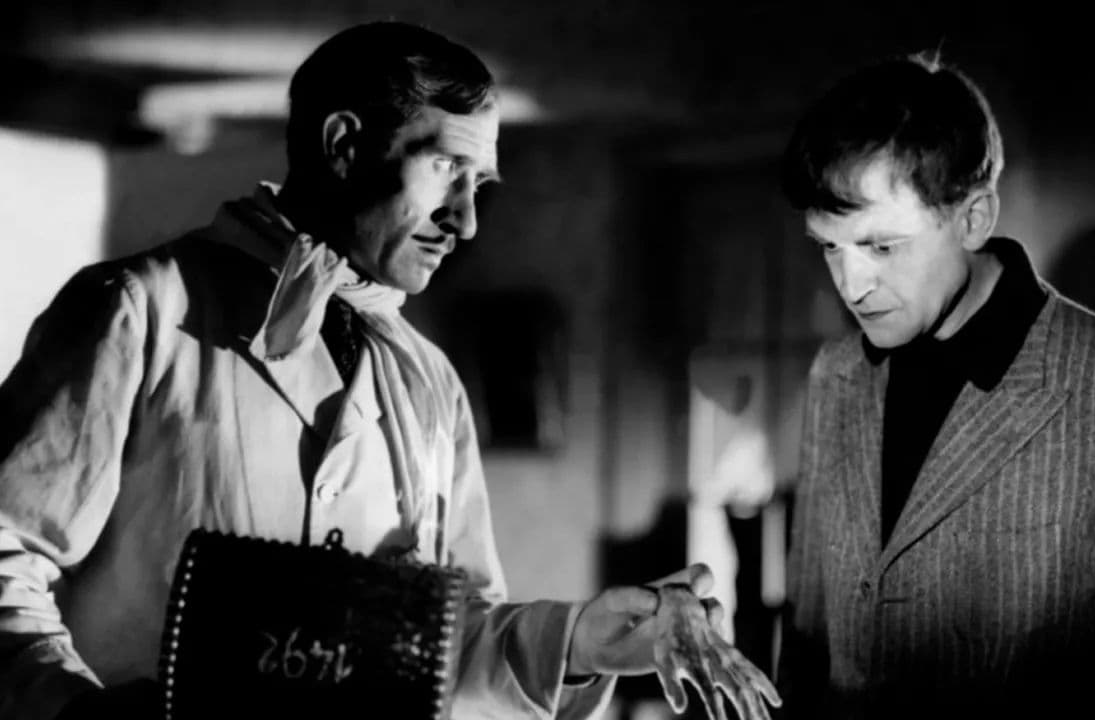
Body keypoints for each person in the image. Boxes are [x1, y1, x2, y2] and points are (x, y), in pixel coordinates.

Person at [0, 21, 722, 720]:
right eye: (446, 168)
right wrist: (75, 711)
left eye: (479, 184)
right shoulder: (140, 310)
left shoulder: (431, 383)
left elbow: (444, 643)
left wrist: (581, 643)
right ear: (344, 145)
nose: (466, 220)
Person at [774, 54, 1095, 718]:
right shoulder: (836, 375)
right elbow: (805, 658)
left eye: (881, 247)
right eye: (829, 247)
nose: (852, 286)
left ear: (974, 218)